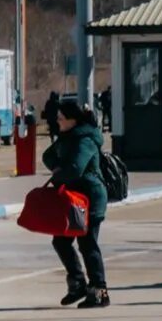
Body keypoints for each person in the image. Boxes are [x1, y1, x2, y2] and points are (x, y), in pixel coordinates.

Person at [44, 99, 111, 309]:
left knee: (88, 244)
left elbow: (75, 169)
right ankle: (77, 284)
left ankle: (99, 292)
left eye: (61, 118)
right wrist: (57, 167)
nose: (58, 122)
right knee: (61, 241)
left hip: (91, 198)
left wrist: (59, 174)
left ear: (72, 120)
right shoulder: (66, 138)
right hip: (74, 199)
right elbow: (47, 156)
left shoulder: (85, 140)